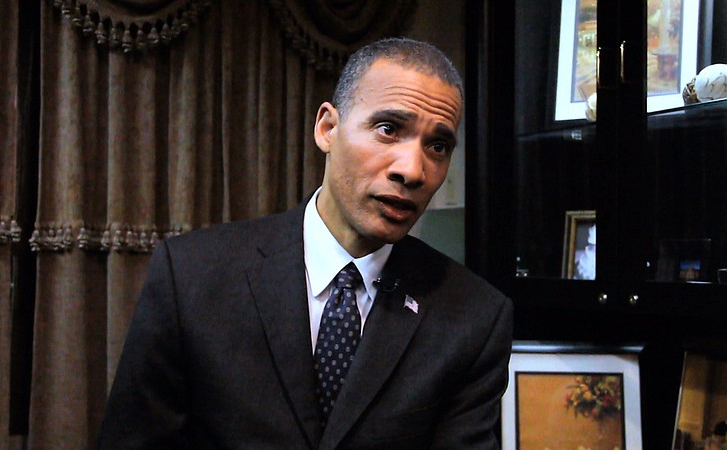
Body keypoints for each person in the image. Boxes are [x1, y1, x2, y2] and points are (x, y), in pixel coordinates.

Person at [98, 37, 513, 449]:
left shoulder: (473, 318)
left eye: (437, 146)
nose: (413, 170)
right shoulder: (191, 276)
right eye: (388, 129)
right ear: (328, 128)